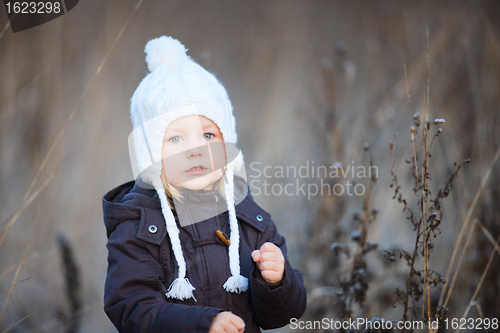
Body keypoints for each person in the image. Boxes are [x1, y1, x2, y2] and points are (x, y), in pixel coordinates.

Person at [102, 36, 307, 333]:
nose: (195, 150)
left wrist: (277, 281)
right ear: (151, 154)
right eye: (176, 138)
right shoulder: (139, 224)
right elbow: (132, 309)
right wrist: (202, 324)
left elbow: (280, 317)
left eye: (208, 136)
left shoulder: (250, 219)